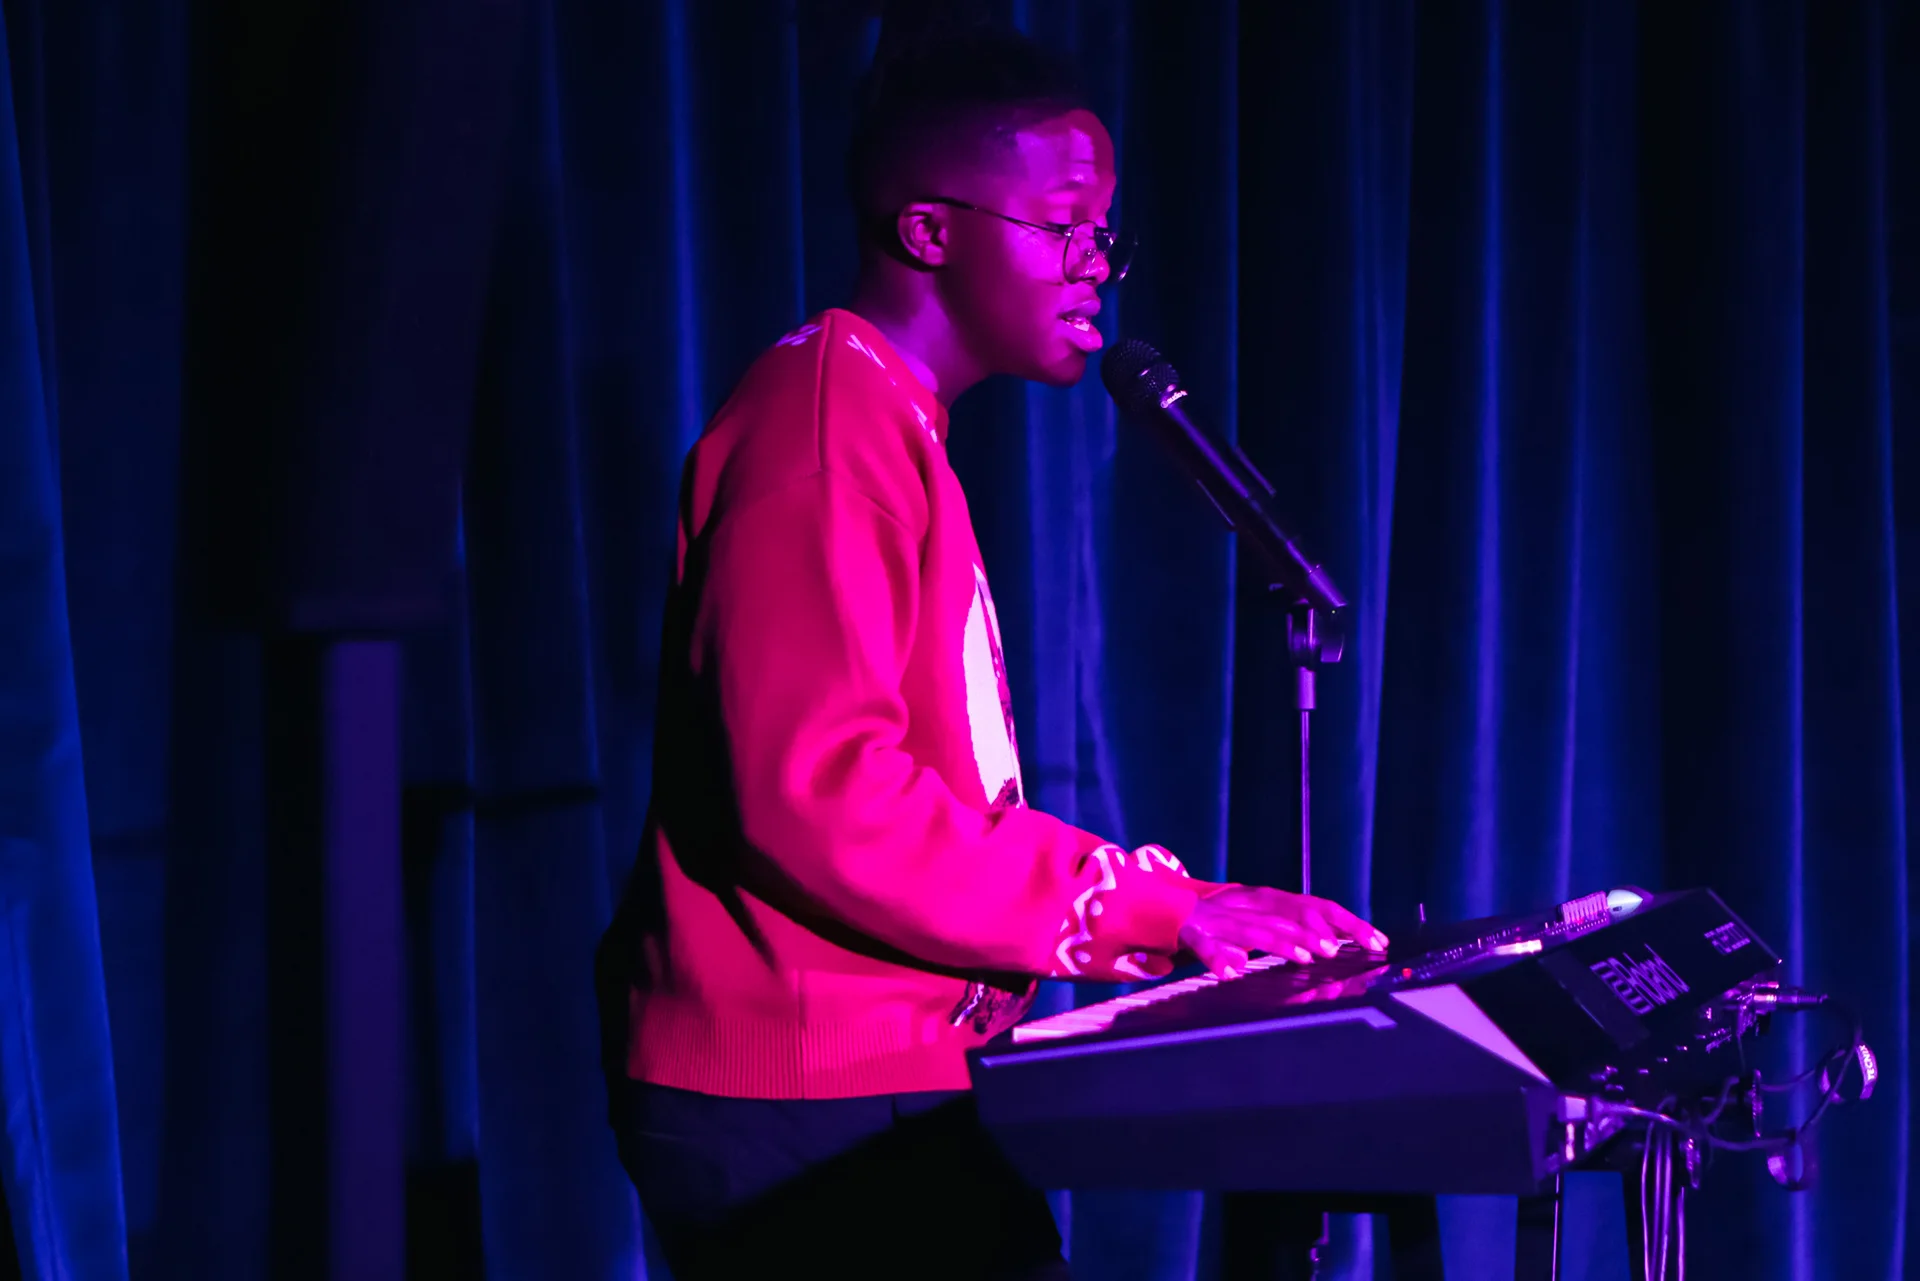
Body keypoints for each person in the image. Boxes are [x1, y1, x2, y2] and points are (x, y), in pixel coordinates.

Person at [597, 17, 1385, 1280]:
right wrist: (1157, 906)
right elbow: (822, 796)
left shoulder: (885, 419)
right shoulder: (825, 430)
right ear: (929, 230)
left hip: (875, 1078)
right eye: (1063, 228)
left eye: (1104, 233)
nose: (1097, 268)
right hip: (804, 1102)